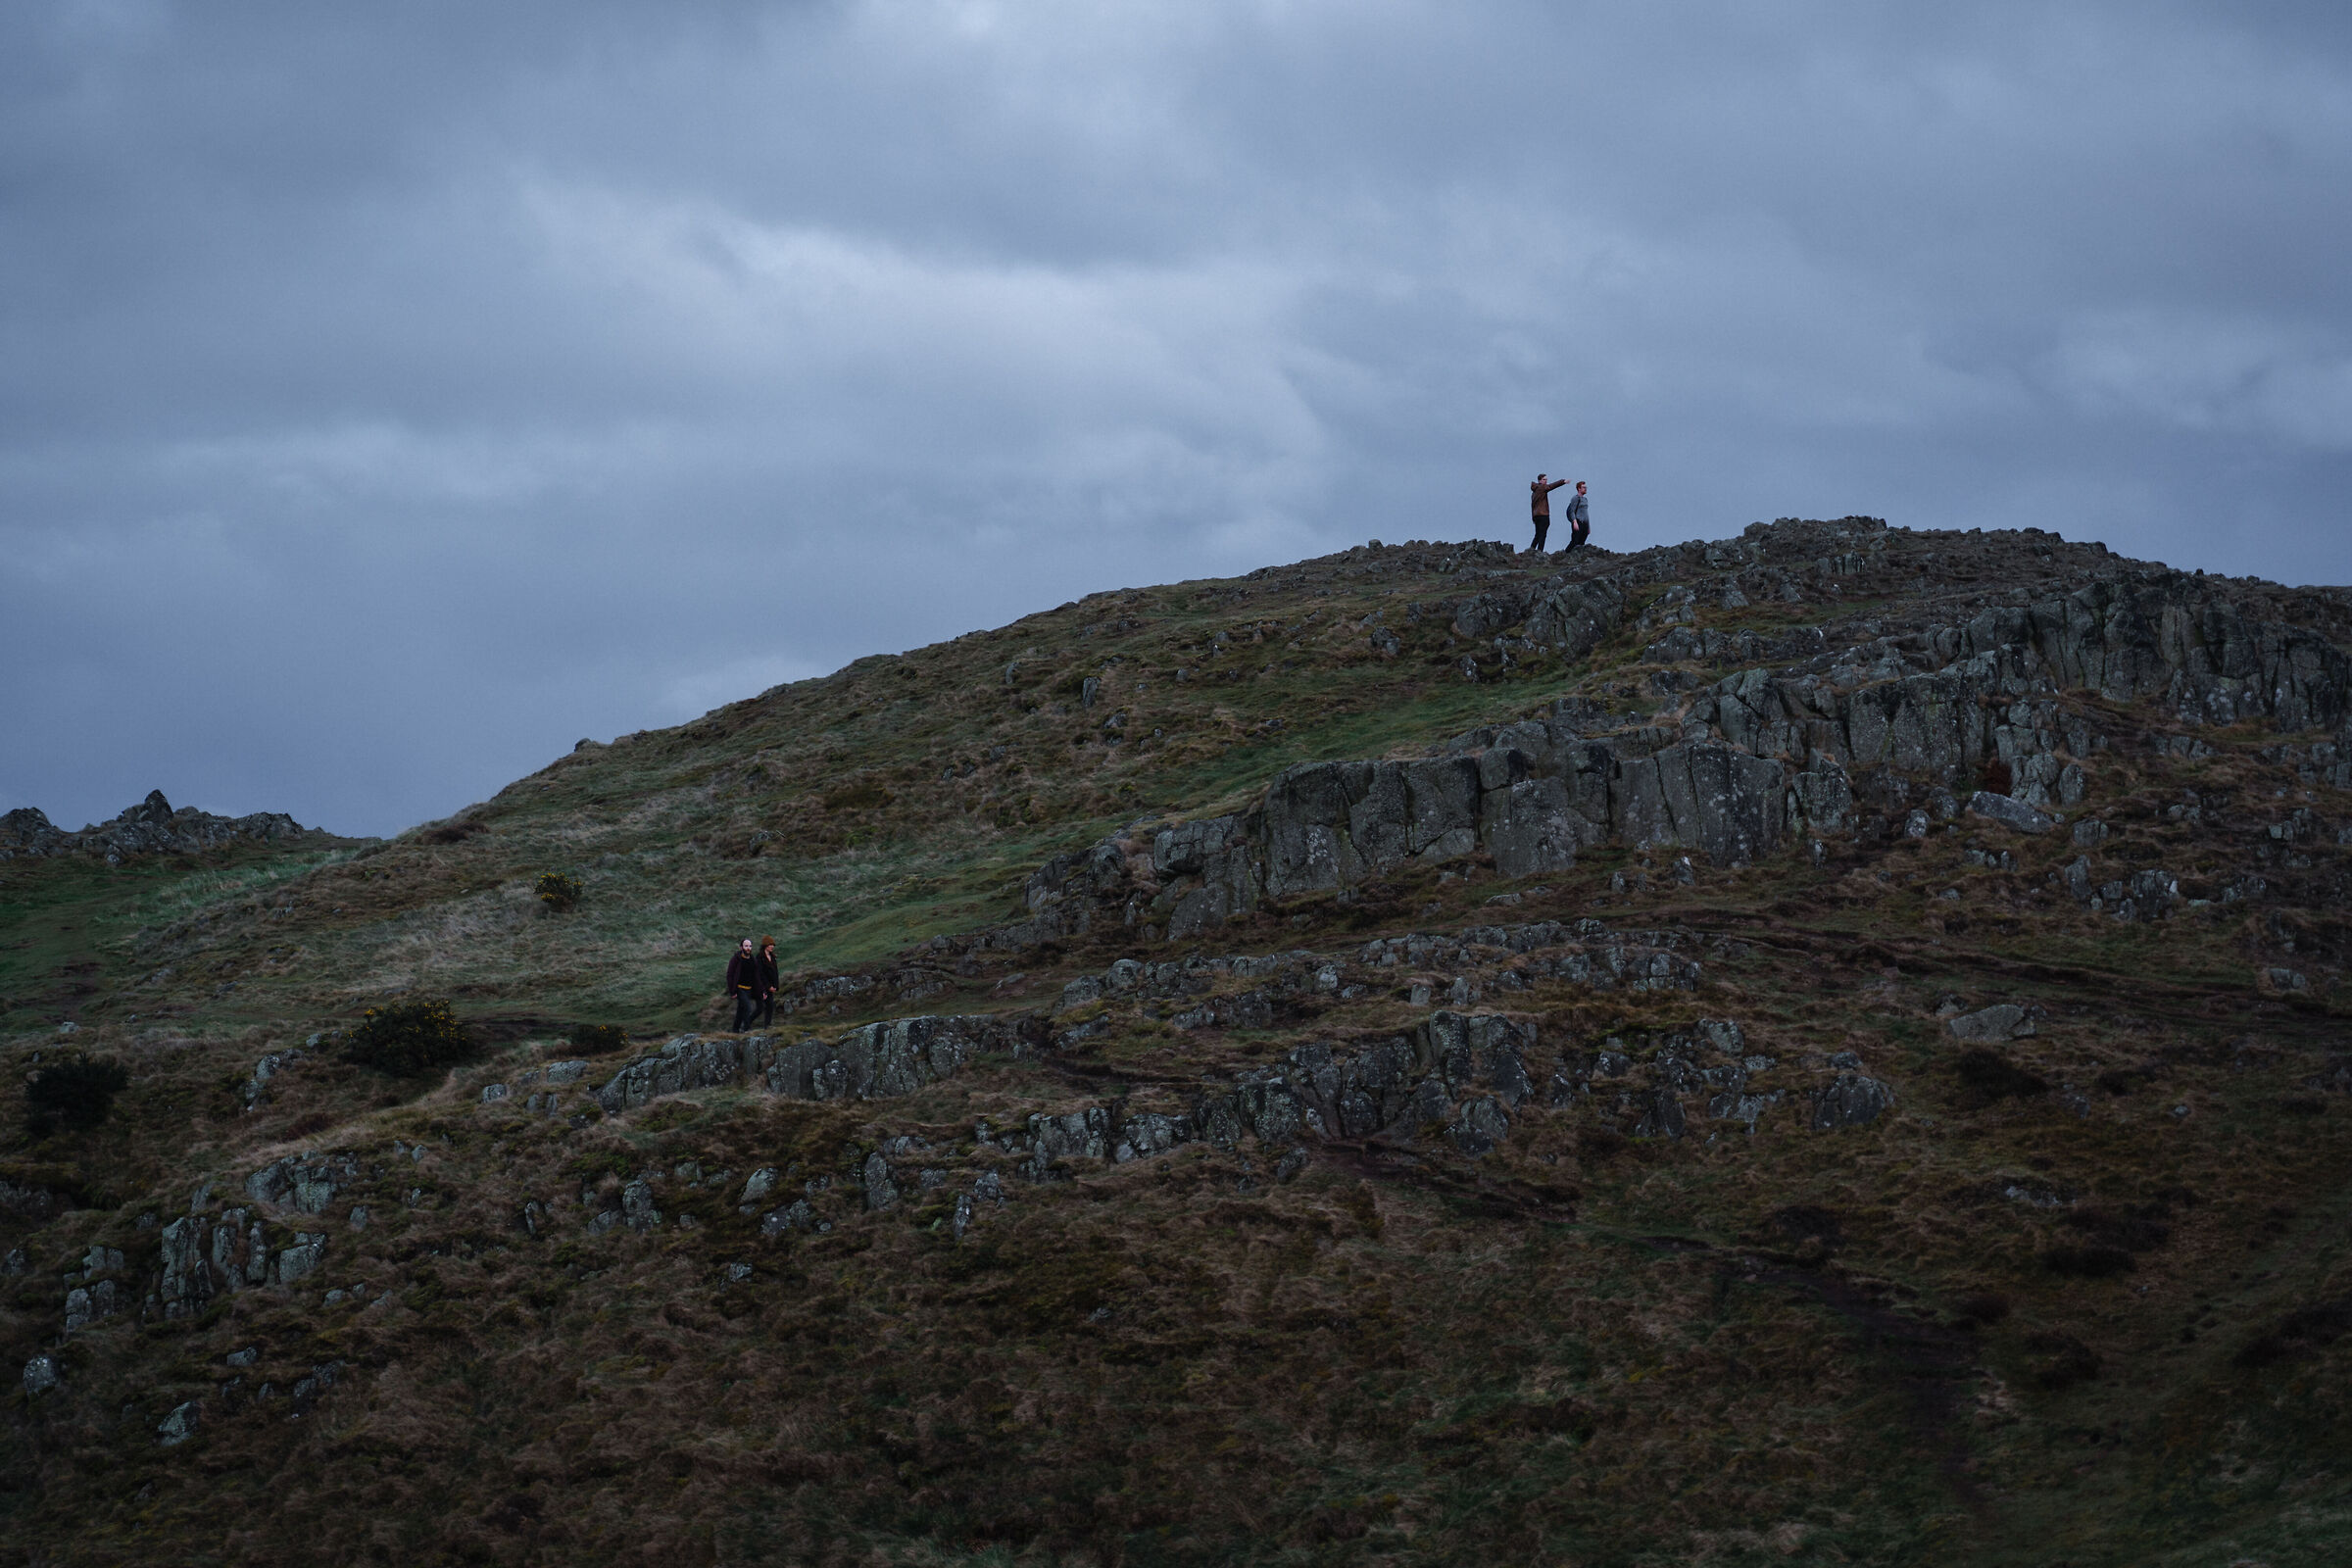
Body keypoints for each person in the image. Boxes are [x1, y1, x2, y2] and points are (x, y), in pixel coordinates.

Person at [725, 937, 760, 1032]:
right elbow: (730, 975)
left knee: (741, 1010)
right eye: (746, 946)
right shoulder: (736, 959)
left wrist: (760, 990)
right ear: (741, 947)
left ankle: (735, 1029)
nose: (748, 948)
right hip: (739, 988)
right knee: (748, 1007)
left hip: (749, 989)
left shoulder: (753, 960)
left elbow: (756, 976)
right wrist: (732, 991)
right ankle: (747, 1029)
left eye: (750, 946)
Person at [1529, 472, 1567, 552]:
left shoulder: (1534, 492)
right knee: (1542, 534)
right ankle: (1539, 551)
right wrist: (1563, 481)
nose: (1546, 481)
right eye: (1544, 479)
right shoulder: (1542, 487)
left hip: (1536, 515)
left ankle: (1531, 551)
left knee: (1538, 535)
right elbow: (1551, 486)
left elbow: (1532, 506)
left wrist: (1533, 517)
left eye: (1546, 479)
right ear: (1539, 480)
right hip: (1543, 515)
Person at [756, 936, 781, 1028]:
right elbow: (760, 974)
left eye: (773, 945)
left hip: (771, 987)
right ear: (765, 945)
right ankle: (748, 1023)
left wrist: (775, 986)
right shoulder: (760, 958)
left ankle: (767, 1025)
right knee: (762, 1007)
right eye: (770, 944)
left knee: (770, 1005)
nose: (772, 946)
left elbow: (775, 972)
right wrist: (768, 986)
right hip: (763, 987)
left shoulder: (773, 957)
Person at [1563, 481, 1591, 551]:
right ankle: (1566, 554)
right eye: (1583, 487)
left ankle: (1577, 558)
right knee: (1575, 541)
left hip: (1585, 524)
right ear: (1579, 489)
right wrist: (1574, 522)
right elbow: (1572, 511)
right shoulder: (1575, 498)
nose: (1585, 489)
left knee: (1582, 543)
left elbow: (1586, 513)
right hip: (1578, 522)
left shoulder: (1585, 499)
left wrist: (1588, 527)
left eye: (1585, 487)